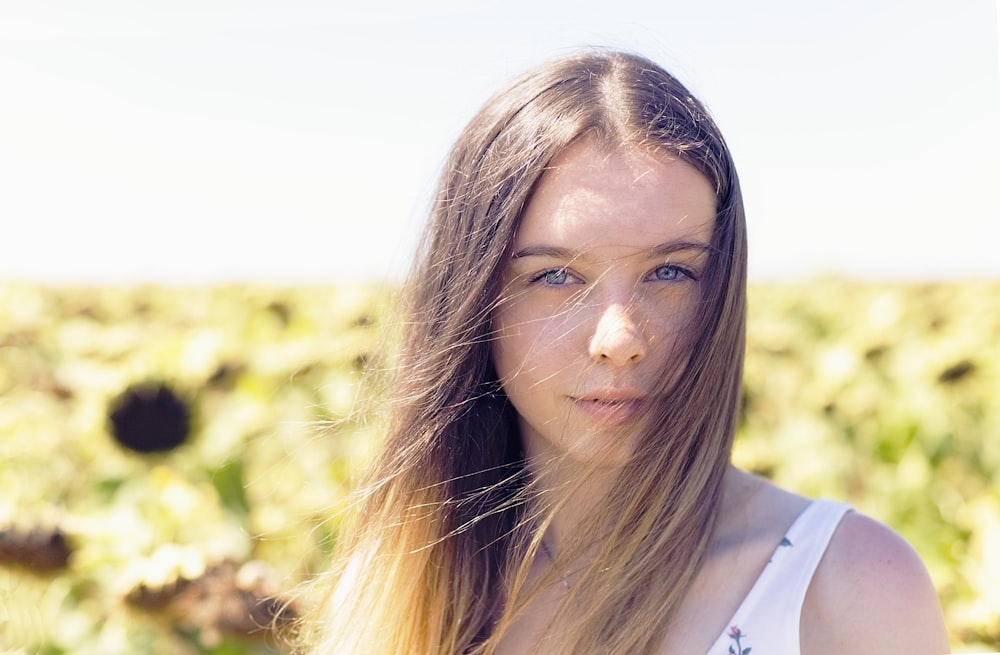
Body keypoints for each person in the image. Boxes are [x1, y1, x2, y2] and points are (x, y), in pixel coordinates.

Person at [300, 49, 950, 654]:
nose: (620, 339)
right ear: (473, 303)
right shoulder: (395, 586)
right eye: (556, 275)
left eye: (671, 272)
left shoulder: (846, 588)